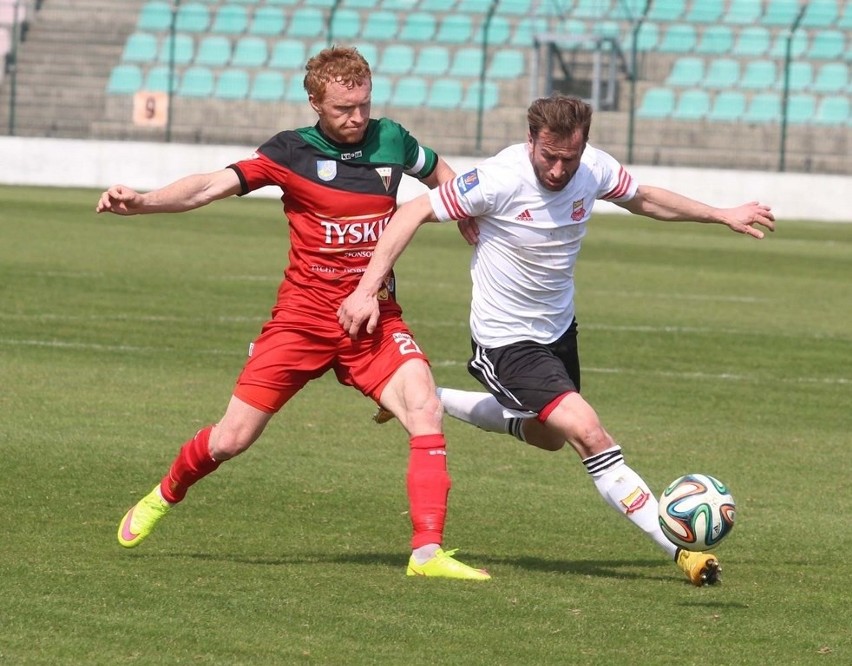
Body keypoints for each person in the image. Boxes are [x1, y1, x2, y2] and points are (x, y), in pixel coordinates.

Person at [337, 93, 775, 586]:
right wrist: (365, 289)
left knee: (549, 437)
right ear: (530, 141)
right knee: (590, 433)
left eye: (569, 158)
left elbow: (644, 198)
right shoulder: (500, 178)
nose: (558, 169)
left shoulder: (592, 169)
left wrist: (720, 214)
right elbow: (412, 211)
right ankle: (681, 553)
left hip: (559, 332)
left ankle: (427, 397)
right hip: (506, 342)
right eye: (549, 156)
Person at [95, 46, 490, 581]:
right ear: (314, 103)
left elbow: (437, 168)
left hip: (372, 319)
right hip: (301, 321)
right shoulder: (291, 151)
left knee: (424, 407)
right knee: (231, 439)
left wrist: (460, 208)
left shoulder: (392, 138)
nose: (355, 119)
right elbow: (210, 186)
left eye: (363, 106)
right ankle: (166, 493)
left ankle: (427, 554)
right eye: (341, 110)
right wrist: (142, 201)